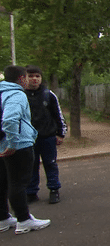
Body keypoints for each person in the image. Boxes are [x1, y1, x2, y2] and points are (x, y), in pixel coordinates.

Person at [0, 65, 51, 234]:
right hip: (18, 146)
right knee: (18, 183)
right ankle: (24, 220)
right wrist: (12, 143)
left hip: (2, 145)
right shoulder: (16, 94)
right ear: (22, 78)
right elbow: (9, 119)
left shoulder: (1, 92)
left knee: (4, 182)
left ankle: (3, 218)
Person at [24, 65, 68, 204]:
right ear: (25, 78)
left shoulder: (48, 95)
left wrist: (61, 133)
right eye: (31, 76)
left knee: (50, 164)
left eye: (37, 76)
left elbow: (58, 115)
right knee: (31, 166)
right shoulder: (20, 96)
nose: (34, 79)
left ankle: (54, 190)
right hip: (28, 139)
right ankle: (31, 192)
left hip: (47, 137)